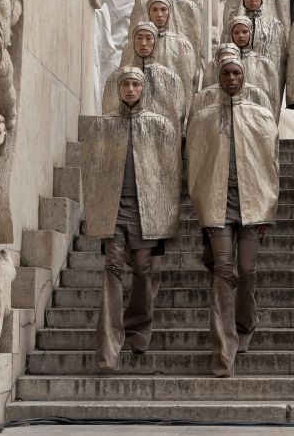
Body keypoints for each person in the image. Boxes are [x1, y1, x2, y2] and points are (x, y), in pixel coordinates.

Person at [81, 68, 182, 371]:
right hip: (113, 208)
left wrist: (166, 217)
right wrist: (95, 211)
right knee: (112, 267)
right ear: (118, 88)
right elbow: (91, 170)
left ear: (143, 89)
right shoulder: (103, 126)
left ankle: (138, 325)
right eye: (125, 84)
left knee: (142, 268)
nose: (130, 89)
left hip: (146, 208)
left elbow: (170, 174)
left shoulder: (159, 126)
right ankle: (108, 348)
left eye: (135, 84)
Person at [186, 58, 279, 377]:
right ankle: (223, 349)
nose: (231, 77)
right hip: (218, 205)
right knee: (223, 271)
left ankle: (245, 323)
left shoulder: (262, 116)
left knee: (246, 270)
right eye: (225, 72)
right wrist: (202, 210)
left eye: (236, 72)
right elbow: (195, 167)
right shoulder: (204, 117)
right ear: (218, 76)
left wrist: (268, 207)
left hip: (253, 204)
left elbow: (271, 165)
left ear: (244, 76)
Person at [103, 22, 186, 134]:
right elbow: (108, 116)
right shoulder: (115, 78)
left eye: (148, 38)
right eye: (139, 38)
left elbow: (176, 120)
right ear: (133, 41)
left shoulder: (172, 79)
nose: (143, 43)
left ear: (155, 41)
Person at [122, 0, 198, 93]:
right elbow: (124, 77)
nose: (159, 14)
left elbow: (188, 84)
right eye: (154, 10)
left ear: (169, 12)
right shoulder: (131, 47)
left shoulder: (183, 45)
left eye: (163, 10)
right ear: (148, 12)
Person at [223, 16, 282, 121]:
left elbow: (274, 100)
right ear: (231, 35)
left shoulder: (265, 64)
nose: (241, 36)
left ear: (251, 33)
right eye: (236, 33)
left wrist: (271, 124)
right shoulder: (221, 65)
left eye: (245, 32)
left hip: (258, 119)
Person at [236, 0, 287, 93]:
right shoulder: (235, 24)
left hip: (266, 77)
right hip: (240, 77)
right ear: (243, 0)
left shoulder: (274, 24)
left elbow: (280, 56)